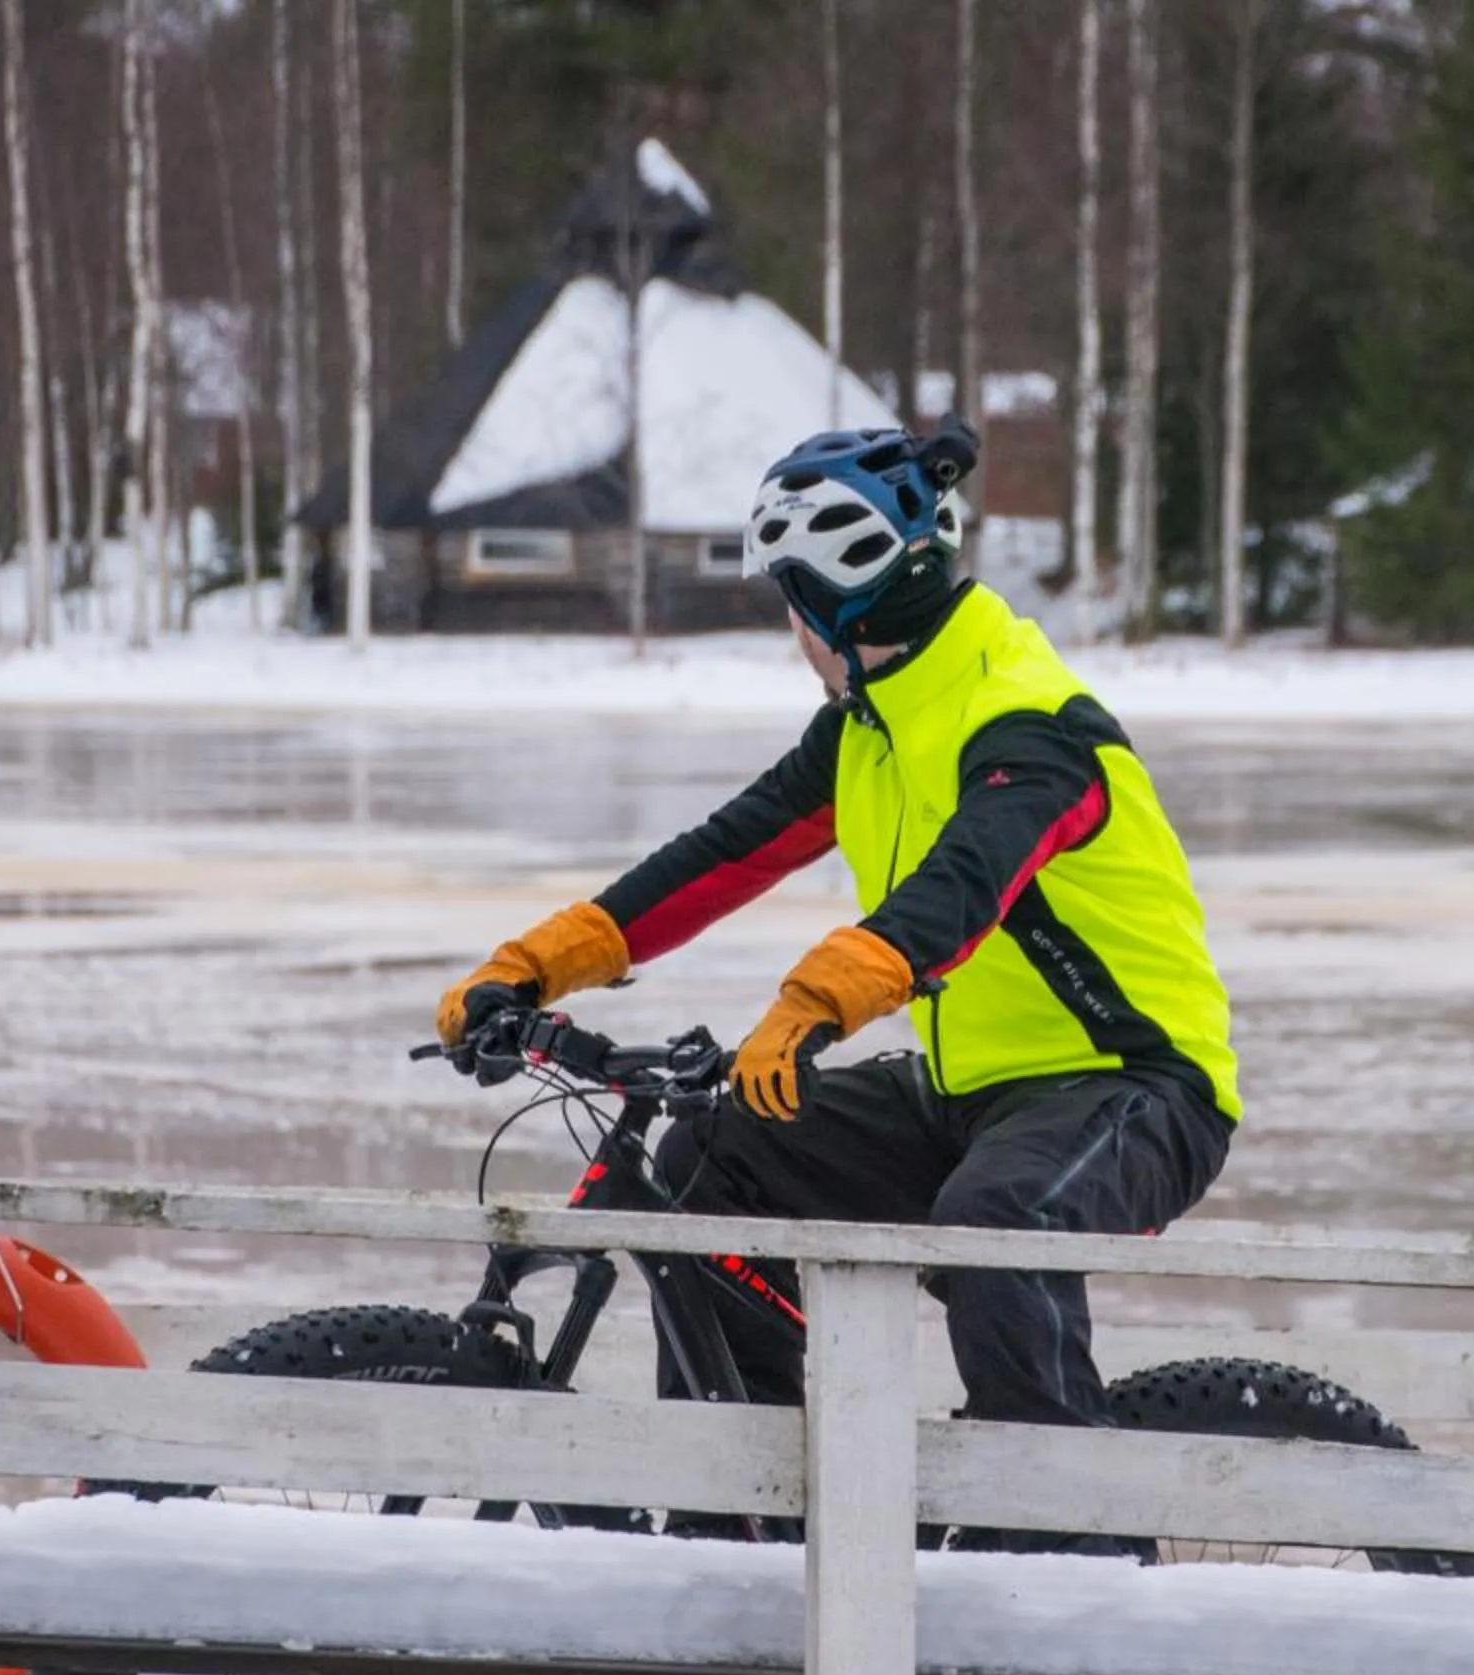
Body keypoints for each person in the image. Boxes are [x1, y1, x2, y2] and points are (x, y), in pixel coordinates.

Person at [439, 422, 1238, 1433]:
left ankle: (1059, 1549)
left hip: (1138, 1088)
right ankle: (747, 1498)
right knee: (709, 1152)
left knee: (994, 1223)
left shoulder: (1030, 722)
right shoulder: (871, 721)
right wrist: (535, 966)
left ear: (830, 598)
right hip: (967, 1091)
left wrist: (816, 1000)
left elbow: (964, 885)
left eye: (789, 600)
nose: (792, 632)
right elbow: (724, 854)